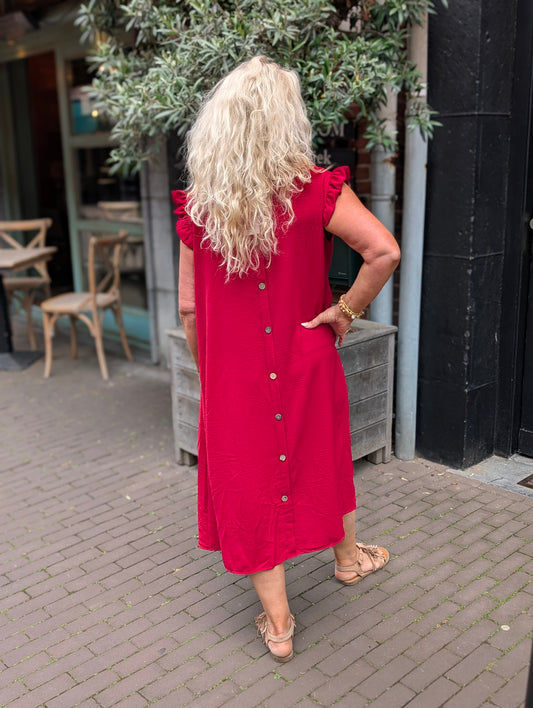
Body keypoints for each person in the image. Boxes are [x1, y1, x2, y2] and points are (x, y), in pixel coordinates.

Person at [172, 56, 401, 663]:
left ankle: (279, 627)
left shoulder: (200, 210)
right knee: (325, 454)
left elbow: (190, 311)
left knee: (247, 481)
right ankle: (348, 561)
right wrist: (345, 311)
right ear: (286, 120)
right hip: (307, 352)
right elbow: (383, 252)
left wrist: (210, 372)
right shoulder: (315, 190)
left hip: (235, 373)